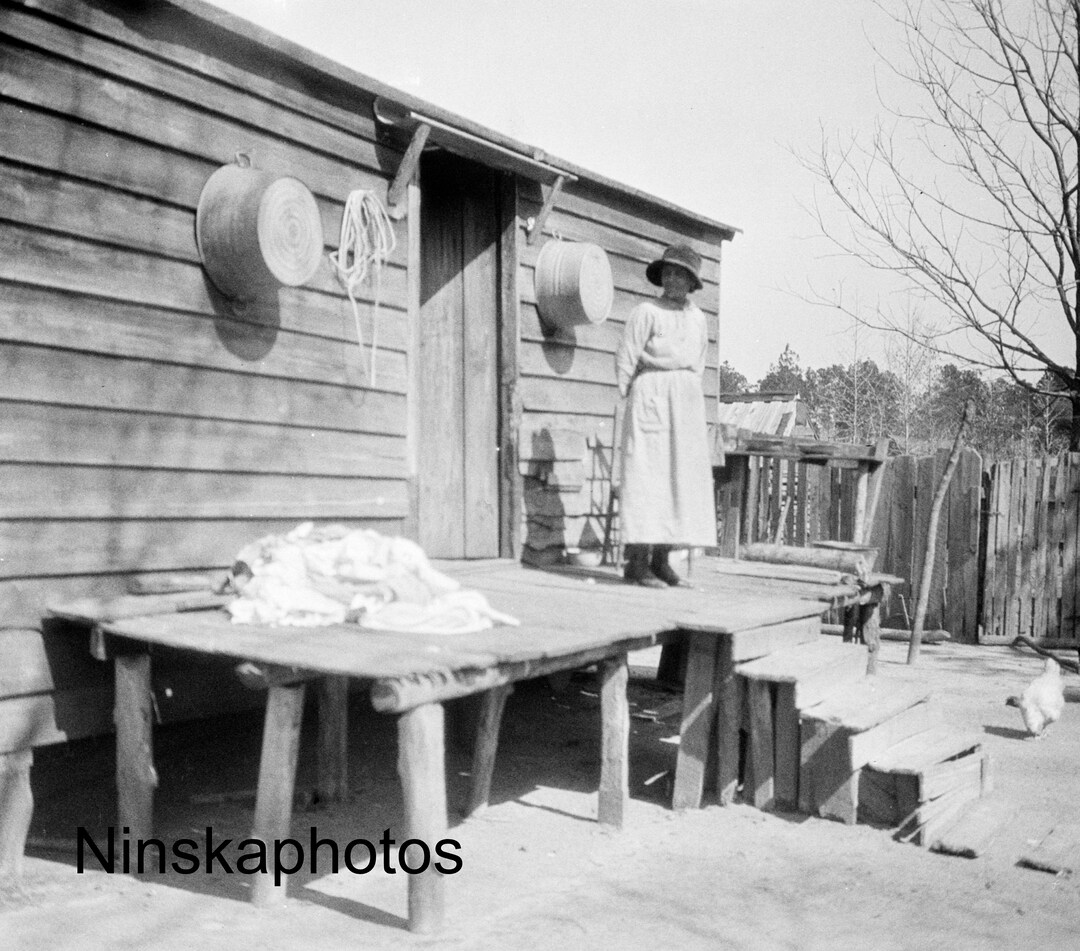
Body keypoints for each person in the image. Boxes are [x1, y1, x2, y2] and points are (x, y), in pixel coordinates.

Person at [615, 244, 718, 587]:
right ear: (661, 276)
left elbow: (699, 362)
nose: (673, 279)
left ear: (692, 283)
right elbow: (626, 358)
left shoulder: (698, 319)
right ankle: (637, 563)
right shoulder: (646, 312)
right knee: (648, 479)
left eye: (681, 274)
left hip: (685, 402)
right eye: (669, 272)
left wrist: (685, 392)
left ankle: (662, 561)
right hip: (651, 399)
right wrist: (633, 398)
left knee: (680, 482)